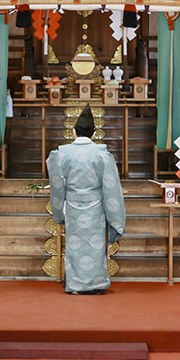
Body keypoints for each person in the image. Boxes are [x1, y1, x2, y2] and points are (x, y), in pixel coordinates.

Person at [47, 105, 126, 294]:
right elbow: (111, 187)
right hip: (97, 207)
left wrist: (59, 212)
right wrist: (114, 217)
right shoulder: (102, 154)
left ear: (73, 132)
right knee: (95, 246)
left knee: (75, 246)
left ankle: (75, 285)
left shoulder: (62, 154)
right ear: (94, 134)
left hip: (72, 206)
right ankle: (96, 284)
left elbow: (57, 185)